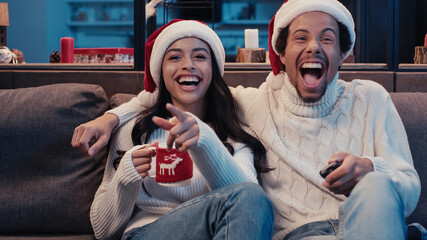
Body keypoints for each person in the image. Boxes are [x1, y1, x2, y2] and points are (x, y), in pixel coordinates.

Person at [72, 1, 421, 239]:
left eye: (327, 39)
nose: (314, 47)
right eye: (301, 37)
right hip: (305, 234)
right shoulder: (256, 102)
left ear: (343, 53)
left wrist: (370, 169)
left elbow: (407, 187)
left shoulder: (370, 98)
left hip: (369, 222)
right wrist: (111, 117)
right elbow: (175, 92)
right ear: (280, 53)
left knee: (377, 183)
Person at [73, 19, 274, 240]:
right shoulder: (133, 130)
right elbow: (103, 232)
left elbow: (249, 203)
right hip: (148, 232)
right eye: (175, 57)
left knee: (251, 196)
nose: (188, 64)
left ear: (213, 70)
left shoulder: (234, 135)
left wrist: (205, 140)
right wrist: (126, 176)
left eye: (199, 56)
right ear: (161, 71)